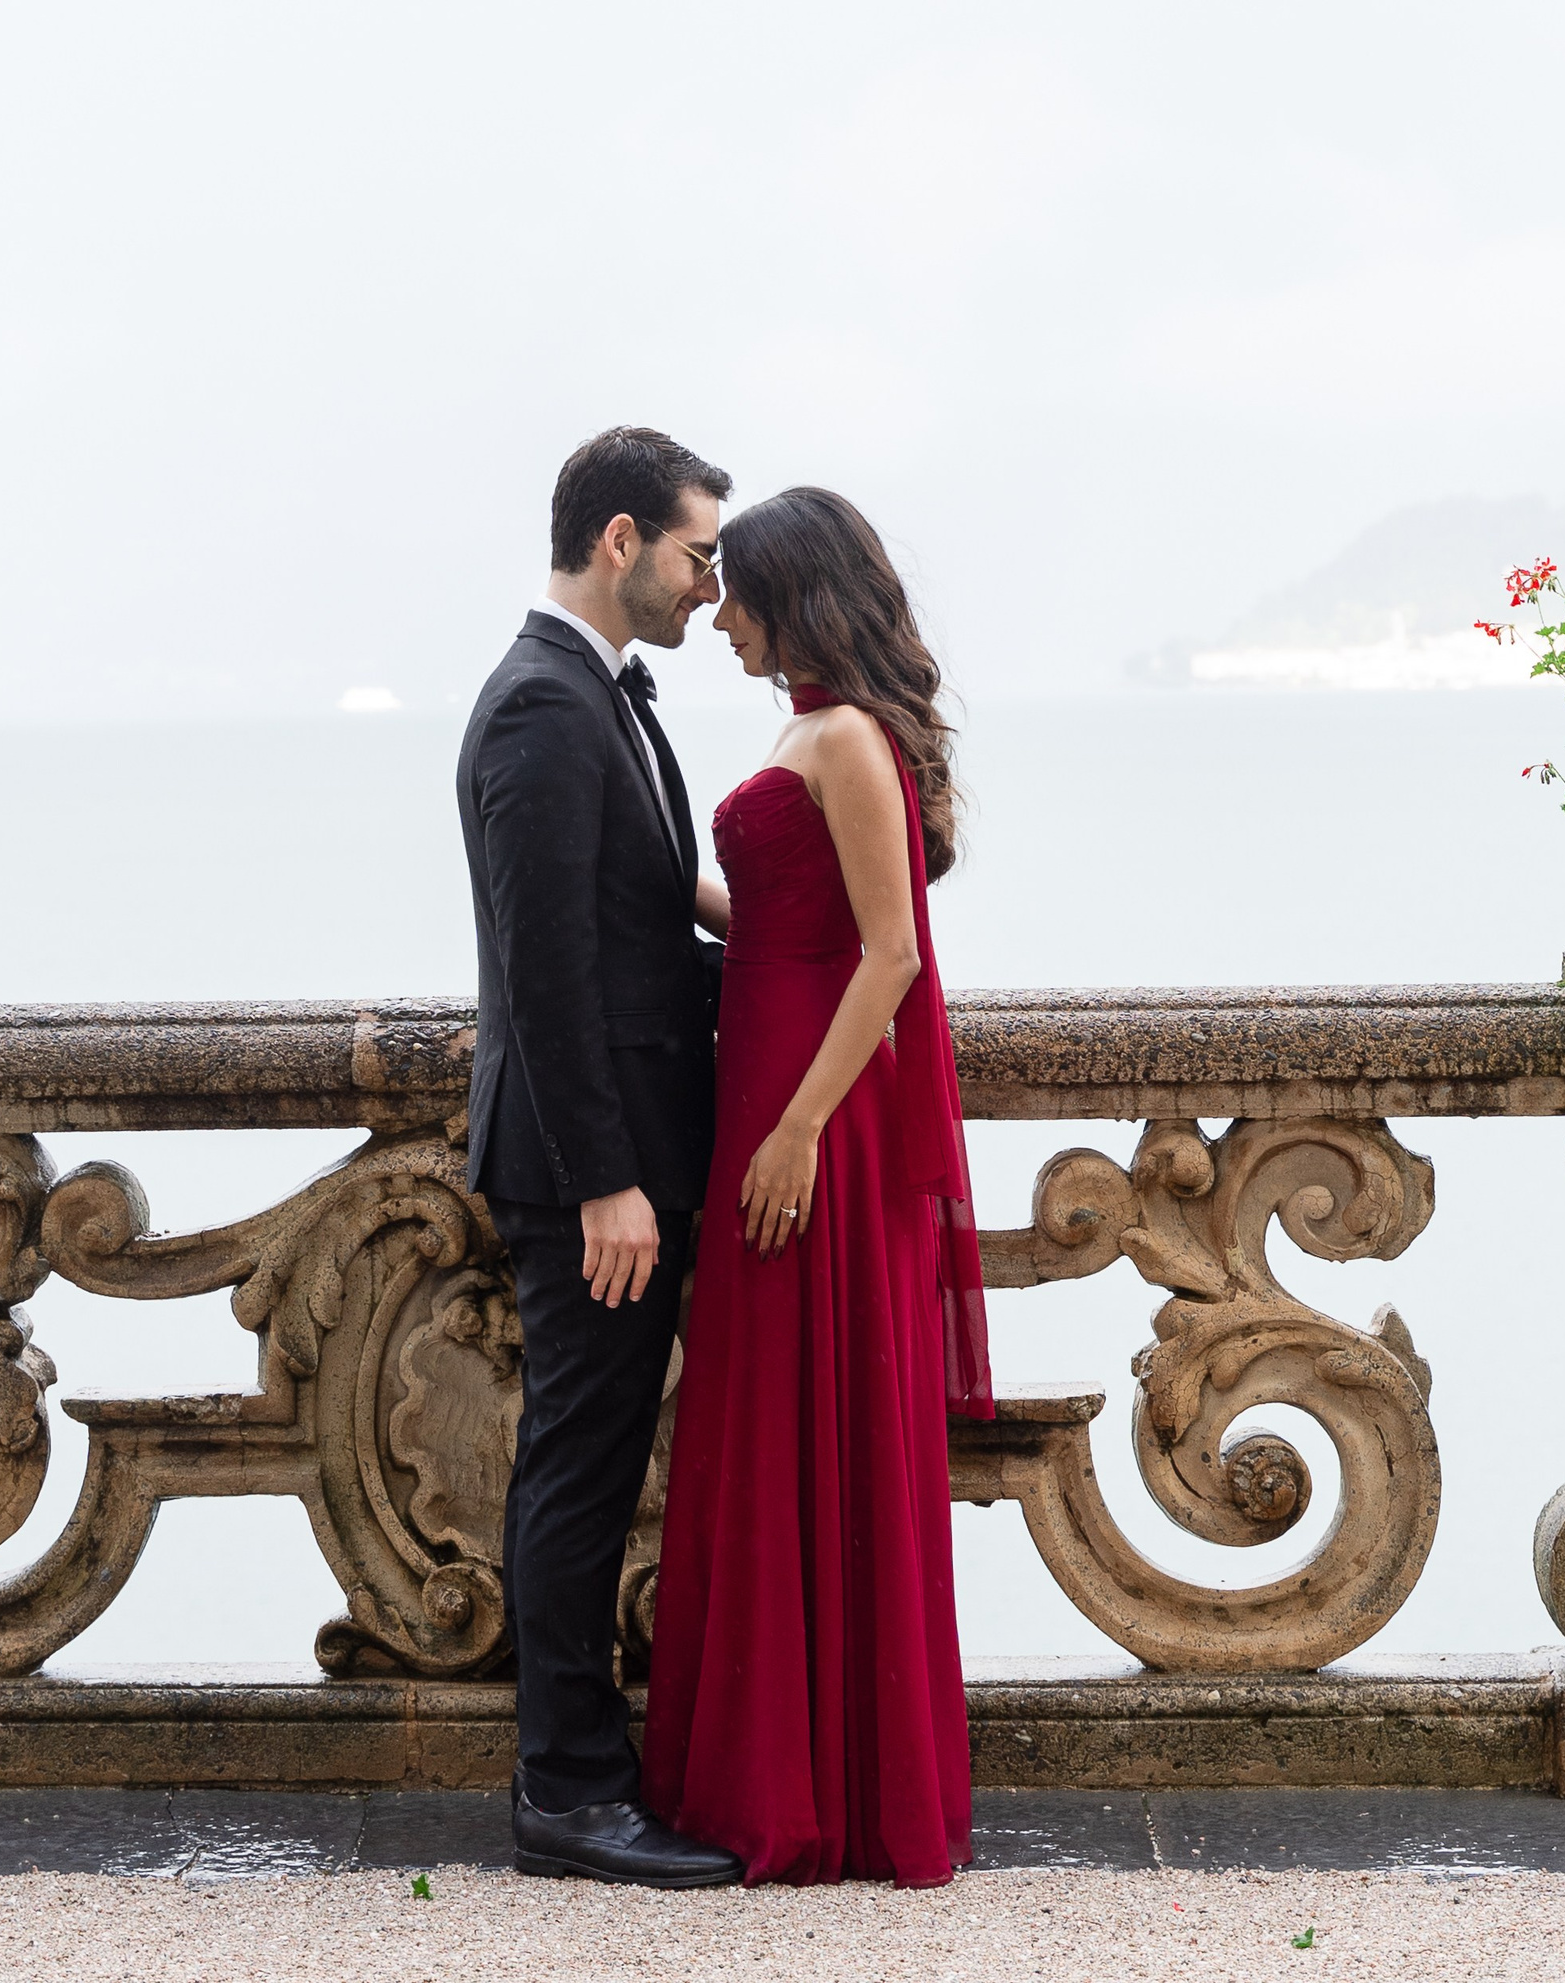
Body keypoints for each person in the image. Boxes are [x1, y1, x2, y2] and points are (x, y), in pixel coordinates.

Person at [641, 486, 993, 1888]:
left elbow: (892, 955)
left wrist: (793, 1135)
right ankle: (776, 1773)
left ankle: (821, 1792)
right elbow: (791, 916)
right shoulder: (808, 724)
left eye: (734, 590)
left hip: (813, 1123)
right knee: (761, 1426)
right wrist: (664, 886)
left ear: (795, 593)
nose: (714, 612)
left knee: (808, 1423)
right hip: (766, 1093)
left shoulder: (844, 735)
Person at [455, 426, 746, 1888]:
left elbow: (626, 890)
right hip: (592, 1172)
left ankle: (585, 1776)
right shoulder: (541, 710)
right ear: (621, 539)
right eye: (700, 551)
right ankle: (566, 1792)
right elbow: (547, 966)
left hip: (632, 1152)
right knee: (578, 1469)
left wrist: (765, 922)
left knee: (597, 1457)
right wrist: (602, 1183)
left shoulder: (597, 699)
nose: (714, 582)